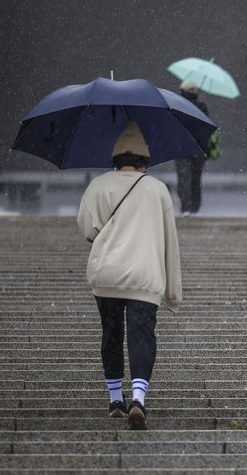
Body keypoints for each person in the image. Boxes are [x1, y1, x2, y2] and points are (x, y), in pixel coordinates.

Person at [77, 121, 182, 430]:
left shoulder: (98, 186)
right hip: (144, 275)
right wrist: (173, 293)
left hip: (107, 273)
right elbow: (169, 242)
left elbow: (87, 229)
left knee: (110, 333)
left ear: (115, 158)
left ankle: (114, 400)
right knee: (141, 336)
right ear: (145, 160)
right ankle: (138, 398)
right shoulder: (157, 189)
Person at [175, 79, 209, 215]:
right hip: (199, 150)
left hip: (181, 149)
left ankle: (186, 208)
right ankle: (195, 207)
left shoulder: (178, 106)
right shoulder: (202, 107)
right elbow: (207, 129)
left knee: (184, 178)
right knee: (196, 179)